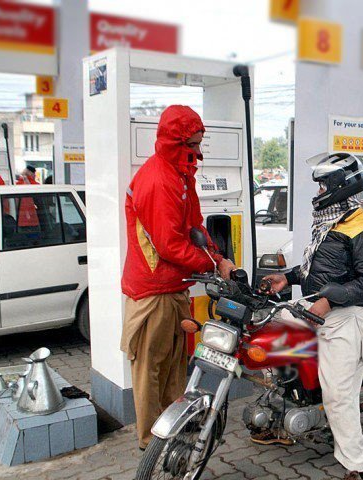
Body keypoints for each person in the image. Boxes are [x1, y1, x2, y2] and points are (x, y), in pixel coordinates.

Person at [261, 153, 363, 480]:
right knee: (267, 333)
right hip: (317, 308)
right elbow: (321, 272)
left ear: (339, 187)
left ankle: (355, 467)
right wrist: (288, 278)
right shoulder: (331, 220)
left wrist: (330, 301)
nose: (317, 193)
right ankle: (284, 412)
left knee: (339, 397)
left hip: (347, 317)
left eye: (322, 186)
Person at [119, 105, 236, 450]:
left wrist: (218, 257)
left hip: (175, 286)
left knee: (174, 365)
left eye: (201, 143)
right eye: (194, 143)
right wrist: (213, 266)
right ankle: (150, 443)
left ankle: (175, 426)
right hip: (152, 291)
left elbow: (195, 227)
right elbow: (170, 244)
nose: (199, 152)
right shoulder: (158, 180)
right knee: (149, 370)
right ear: (177, 141)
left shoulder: (180, 174)